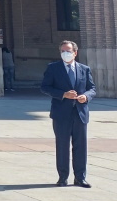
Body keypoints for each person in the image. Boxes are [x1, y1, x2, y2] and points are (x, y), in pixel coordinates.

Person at [40, 40, 96, 188]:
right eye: (63, 51)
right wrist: (63, 94)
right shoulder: (53, 68)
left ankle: (80, 177)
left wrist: (86, 97)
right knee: (62, 145)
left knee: (81, 146)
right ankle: (63, 177)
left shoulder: (84, 69)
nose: (66, 53)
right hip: (61, 113)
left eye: (68, 51)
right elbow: (45, 87)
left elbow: (92, 88)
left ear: (75, 53)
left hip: (80, 113)